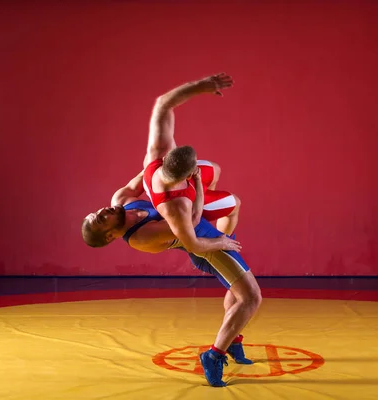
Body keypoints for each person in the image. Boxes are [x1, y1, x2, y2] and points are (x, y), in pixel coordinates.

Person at [84, 73, 262, 387]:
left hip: (182, 203)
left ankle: (233, 339)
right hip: (196, 236)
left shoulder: (130, 189)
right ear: (111, 236)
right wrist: (220, 238)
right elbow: (192, 239)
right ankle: (215, 354)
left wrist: (200, 86)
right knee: (250, 297)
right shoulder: (150, 230)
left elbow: (163, 105)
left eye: (97, 212)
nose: (103, 210)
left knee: (226, 191)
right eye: (102, 219)